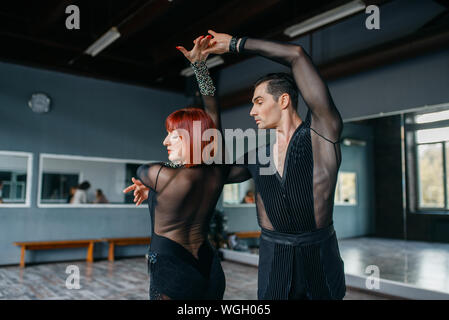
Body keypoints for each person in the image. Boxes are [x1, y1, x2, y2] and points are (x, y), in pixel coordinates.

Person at [197, 30, 346, 300]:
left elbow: (296, 55)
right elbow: (215, 168)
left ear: (284, 100)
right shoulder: (258, 156)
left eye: (259, 101)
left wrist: (234, 44)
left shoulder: (322, 135)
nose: (252, 111)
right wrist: (201, 73)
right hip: (274, 263)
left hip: (320, 262)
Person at [123, 35, 234, 300]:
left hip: (173, 269)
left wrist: (150, 184)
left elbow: (143, 171)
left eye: (172, 135)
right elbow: (213, 114)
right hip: (210, 268)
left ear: (190, 137)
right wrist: (200, 67)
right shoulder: (214, 169)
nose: (164, 141)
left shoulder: (160, 173)